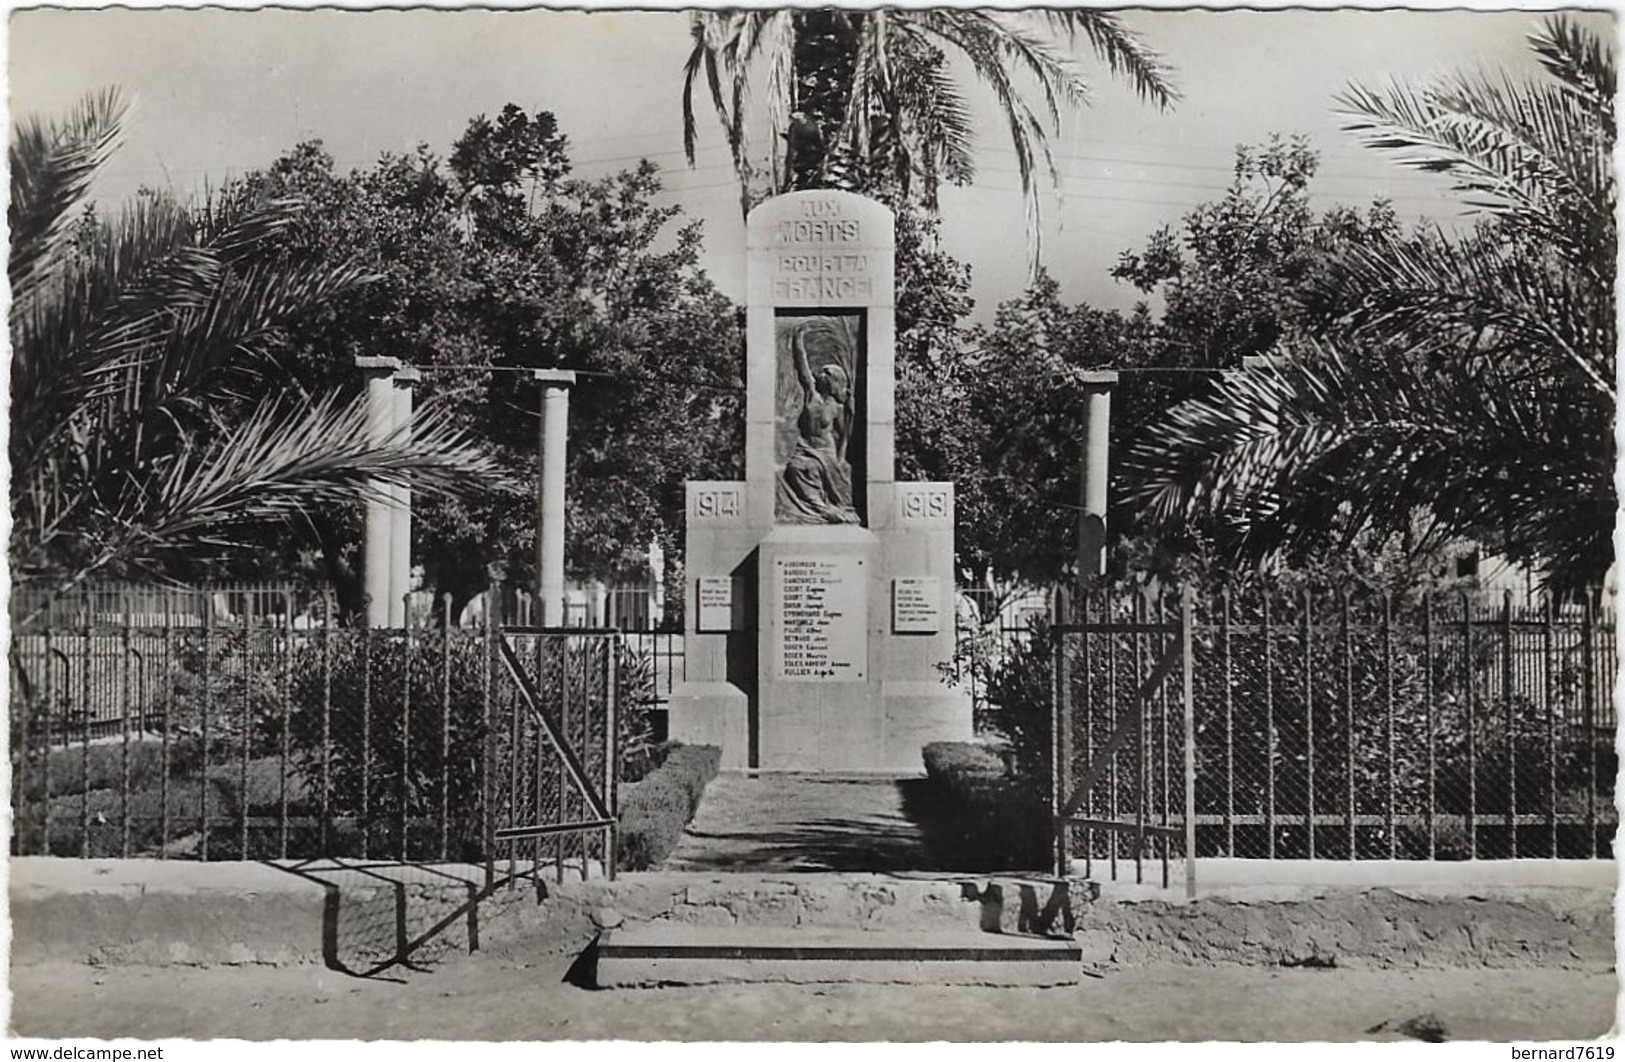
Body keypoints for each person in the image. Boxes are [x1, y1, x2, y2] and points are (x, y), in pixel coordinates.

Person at [776, 326, 860, 524]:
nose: (822, 374)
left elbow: (845, 435)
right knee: (795, 468)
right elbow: (802, 365)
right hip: (805, 450)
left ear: (835, 382)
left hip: (826, 453)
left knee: (829, 480)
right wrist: (798, 339)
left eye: (827, 374)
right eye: (822, 372)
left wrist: (840, 458)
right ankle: (822, 509)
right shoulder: (811, 396)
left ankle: (832, 509)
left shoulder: (838, 408)